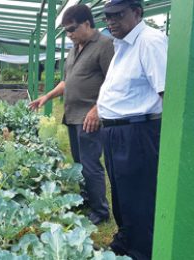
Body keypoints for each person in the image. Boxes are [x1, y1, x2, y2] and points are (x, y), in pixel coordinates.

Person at [29, 4, 114, 225]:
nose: (69, 34)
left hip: (90, 119)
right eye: (66, 31)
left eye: (72, 29)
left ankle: (100, 210)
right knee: (79, 163)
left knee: (90, 164)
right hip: (73, 116)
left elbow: (113, 83)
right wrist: (46, 97)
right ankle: (87, 199)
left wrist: (97, 110)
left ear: (87, 23)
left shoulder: (105, 45)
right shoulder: (74, 48)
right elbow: (67, 81)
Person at [97, 0, 168, 259]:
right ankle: (125, 240)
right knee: (120, 191)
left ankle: (141, 251)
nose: (111, 21)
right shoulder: (124, 44)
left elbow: (165, 91)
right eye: (107, 16)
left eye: (118, 15)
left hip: (137, 132)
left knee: (138, 195)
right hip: (117, 132)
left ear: (137, 13)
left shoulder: (149, 41)